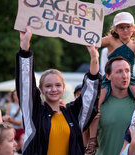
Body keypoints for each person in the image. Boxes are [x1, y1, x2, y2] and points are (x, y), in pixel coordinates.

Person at [16, 27, 102, 155]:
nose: (53, 89)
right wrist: (24, 48)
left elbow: (90, 96)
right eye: (48, 86)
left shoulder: (73, 114)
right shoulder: (34, 113)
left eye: (57, 85)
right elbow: (25, 86)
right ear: (41, 90)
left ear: (63, 87)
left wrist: (94, 58)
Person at [85, 12, 135, 153]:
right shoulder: (110, 40)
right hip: (109, 78)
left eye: (128, 27)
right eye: (121, 27)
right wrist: (92, 30)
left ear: (133, 28)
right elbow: (92, 40)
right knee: (94, 106)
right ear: (115, 29)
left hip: (130, 79)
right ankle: (92, 139)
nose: (125, 30)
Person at [95, 56, 135, 155]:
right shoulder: (99, 104)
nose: (125, 76)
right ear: (108, 76)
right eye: (119, 71)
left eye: (127, 71)